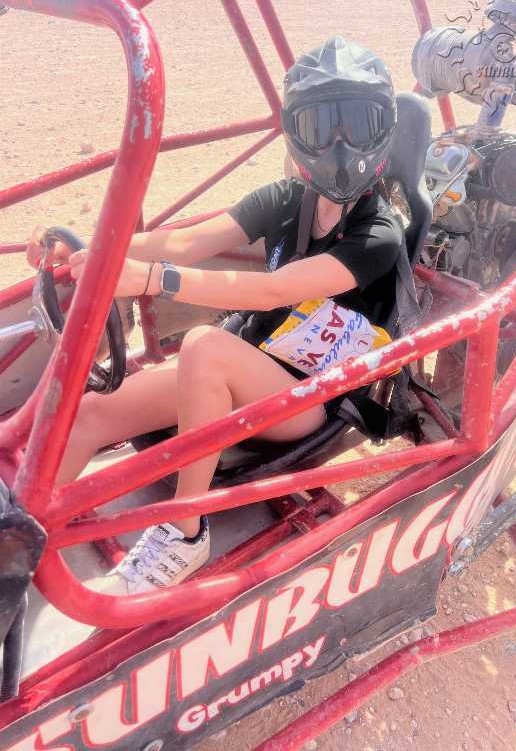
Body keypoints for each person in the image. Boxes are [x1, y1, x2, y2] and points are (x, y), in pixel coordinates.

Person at [27, 37, 405, 594]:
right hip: (243, 365)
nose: (340, 144)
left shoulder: (379, 234)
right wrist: (96, 248)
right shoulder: (285, 198)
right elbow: (184, 243)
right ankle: (20, 537)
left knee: (204, 345)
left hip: (309, 397)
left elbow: (272, 290)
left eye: (356, 124)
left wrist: (152, 280)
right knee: (91, 413)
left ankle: (185, 531)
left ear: (384, 129)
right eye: (323, 126)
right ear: (296, 132)